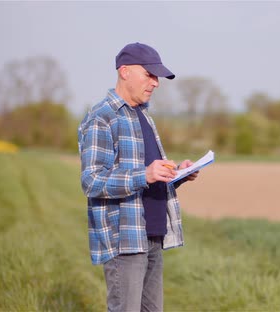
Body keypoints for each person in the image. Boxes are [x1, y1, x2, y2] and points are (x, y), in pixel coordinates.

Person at [77, 42, 198, 312]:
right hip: (126, 240)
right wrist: (144, 174)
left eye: (157, 77)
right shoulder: (102, 118)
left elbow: (146, 176)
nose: (155, 83)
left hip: (153, 235)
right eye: (149, 75)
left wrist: (177, 174)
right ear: (124, 71)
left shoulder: (143, 115)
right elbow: (92, 181)